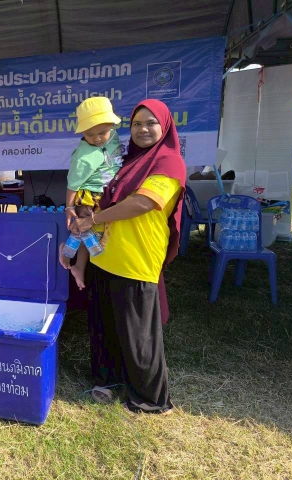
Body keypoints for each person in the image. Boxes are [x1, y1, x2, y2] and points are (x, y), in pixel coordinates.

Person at [73, 99, 186, 415]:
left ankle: (150, 398)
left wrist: (94, 219)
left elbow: (143, 203)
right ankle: (107, 379)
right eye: (136, 124)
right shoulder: (125, 162)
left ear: (164, 126)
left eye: (150, 123)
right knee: (105, 326)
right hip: (104, 255)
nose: (142, 129)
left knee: (138, 335)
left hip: (136, 258)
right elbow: (97, 196)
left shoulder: (169, 162)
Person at [63, 97, 123, 290]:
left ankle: (81, 265)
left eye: (102, 133)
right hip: (89, 197)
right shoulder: (83, 157)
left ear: (112, 126)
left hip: (108, 194)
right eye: (90, 134)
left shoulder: (113, 137)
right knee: (85, 231)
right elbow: (73, 185)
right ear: (82, 132)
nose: (97, 138)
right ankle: (67, 254)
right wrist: (69, 207)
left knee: (96, 232)